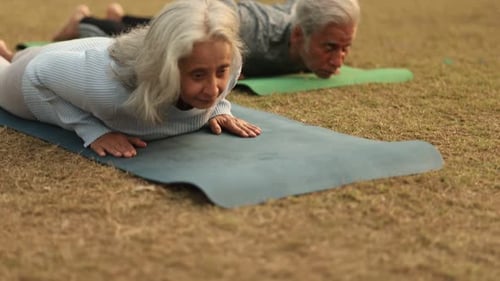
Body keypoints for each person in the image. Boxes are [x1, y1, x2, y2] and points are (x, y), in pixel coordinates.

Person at [0, 0, 261, 159]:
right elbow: (41, 71)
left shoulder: (231, 63)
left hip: (101, 51)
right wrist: (93, 131)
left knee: (23, 56)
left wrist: (218, 108)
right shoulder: (108, 91)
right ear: (165, 67)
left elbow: (217, 85)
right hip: (35, 83)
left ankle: (10, 54)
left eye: (220, 72)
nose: (214, 87)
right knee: (20, 66)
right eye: (198, 75)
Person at [51, 0, 361, 78]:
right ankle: (84, 22)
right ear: (297, 36)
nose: (338, 60)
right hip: (197, 14)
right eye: (330, 48)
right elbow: (204, 13)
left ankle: (118, 16)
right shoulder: (252, 29)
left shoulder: (314, 27)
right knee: (154, 38)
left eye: (346, 48)